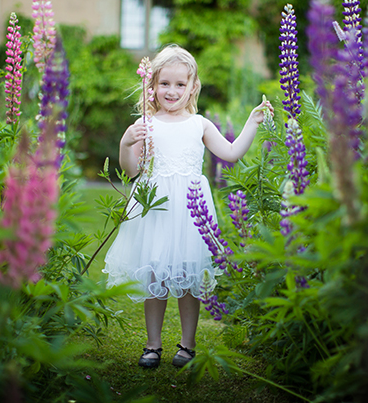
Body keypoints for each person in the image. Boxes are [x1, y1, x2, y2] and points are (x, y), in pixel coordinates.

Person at [103, 44, 273, 368]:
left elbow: (232, 152)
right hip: (154, 210)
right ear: (152, 86)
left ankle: (188, 344)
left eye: (180, 84)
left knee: (187, 276)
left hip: (191, 211)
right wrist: (126, 142)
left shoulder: (200, 124)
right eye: (164, 83)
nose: (172, 90)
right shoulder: (146, 123)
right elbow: (132, 170)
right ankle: (152, 345)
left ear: (193, 87)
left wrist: (252, 121)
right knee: (155, 276)